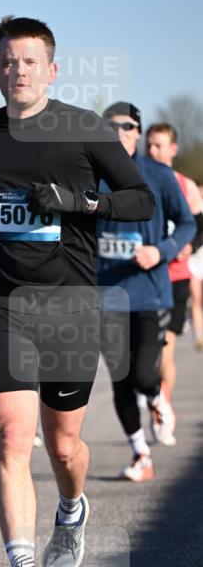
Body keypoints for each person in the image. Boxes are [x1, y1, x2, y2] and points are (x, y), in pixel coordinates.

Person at [0, 16, 154, 567]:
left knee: (63, 444)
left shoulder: (83, 129)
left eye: (30, 61)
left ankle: (71, 507)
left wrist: (81, 203)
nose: (18, 71)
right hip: (0, 300)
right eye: (8, 62)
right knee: (12, 438)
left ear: (52, 69)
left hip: (68, 304)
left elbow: (137, 199)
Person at [97, 105, 195, 479]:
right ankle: (140, 453)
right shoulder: (91, 175)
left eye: (127, 126)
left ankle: (156, 397)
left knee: (141, 375)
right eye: (111, 127)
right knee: (120, 380)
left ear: (137, 132)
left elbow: (187, 225)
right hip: (107, 294)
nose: (119, 132)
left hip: (150, 292)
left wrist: (161, 251)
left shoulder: (158, 175)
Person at [146, 124, 203, 391]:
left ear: (173, 148)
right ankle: (147, 394)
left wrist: (190, 244)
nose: (152, 150)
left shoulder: (185, 184)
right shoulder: (136, 180)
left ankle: (163, 408)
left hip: (175, 276)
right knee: (142, 350)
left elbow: (198, 225)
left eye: (158, 145)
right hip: (142, 276)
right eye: (149, 145)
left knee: (165, 348)